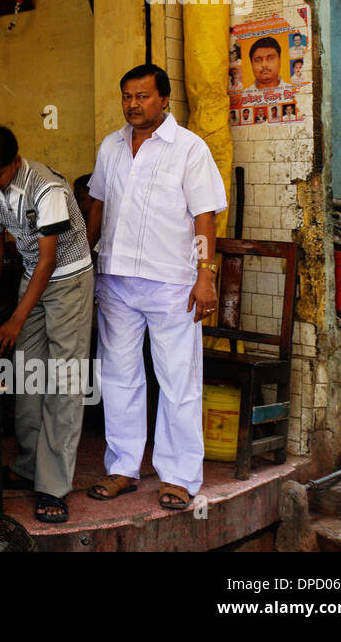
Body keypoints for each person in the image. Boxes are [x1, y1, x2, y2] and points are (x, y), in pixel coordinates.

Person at [84, 64, 227, 511]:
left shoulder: (189, 149)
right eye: (127, 96)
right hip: (117, 278)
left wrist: (206, 274)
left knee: (177, 380)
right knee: (119, 377)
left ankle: (179, 477)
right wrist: (85, 260)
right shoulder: (111, 146)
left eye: (143, 96)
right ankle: (123, 468)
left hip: (172, 283)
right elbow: (98, 205)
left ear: (165, 99)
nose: (133, 104)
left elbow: (206, 215)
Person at [0, 126, 94, 524]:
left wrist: (17, 317)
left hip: (67, 278)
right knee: (26, 372)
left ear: (15, 163)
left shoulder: (46, 188)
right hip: (32, 278)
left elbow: (49, 260)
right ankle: (27, 466)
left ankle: (53, 485)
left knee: (63, 380)